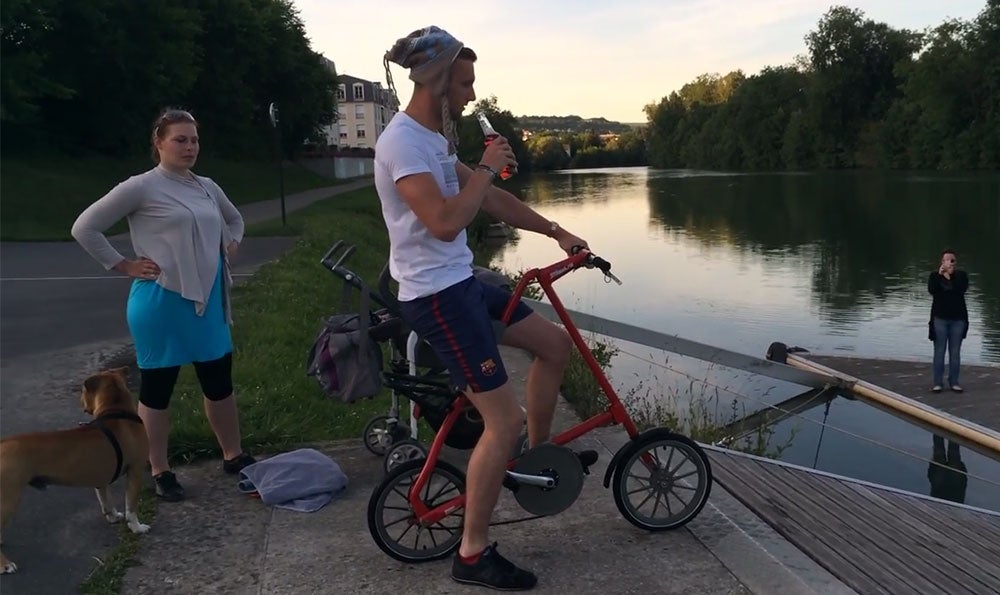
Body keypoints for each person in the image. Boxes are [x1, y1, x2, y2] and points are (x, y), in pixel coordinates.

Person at [376, 26, 597, 591]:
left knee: (553, 346)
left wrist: (554, 229)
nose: (472, 95)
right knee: (502, 418)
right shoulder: (403, 142)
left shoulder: (435, 139)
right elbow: (446, 219)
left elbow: (490, 200)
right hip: (436, 296)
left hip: (462, 282)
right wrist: (481, 169)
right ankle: (472, 555)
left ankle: (536, 460)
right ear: (438, 79)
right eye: (465, 82)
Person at [71, 108, 255, 502]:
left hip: (208, 302)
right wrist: (123, 264)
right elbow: (85, 227)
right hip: (161, 302)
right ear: (158, 143)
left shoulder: (206, 186)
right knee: (157, 389)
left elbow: (234, 220)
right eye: (180, 140)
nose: (190, 147)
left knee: (219, 382)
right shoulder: (141, 187)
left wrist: (230, 243)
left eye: (194, 140)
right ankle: (158, 469)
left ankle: (233, 454)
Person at [927, 249, 969, 393]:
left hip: (958, 319)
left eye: (952, 260)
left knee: (955, 352)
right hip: (940, 318)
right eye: (946, 260)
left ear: (955, 263)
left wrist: (950, 276)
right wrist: (941, 276)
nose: (949, 263)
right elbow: (932, 290)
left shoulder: (961, 276)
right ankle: (938, 382)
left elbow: (961, 290)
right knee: (939, 351)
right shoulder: (934, 276)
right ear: (941, 262)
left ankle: (954, 382)